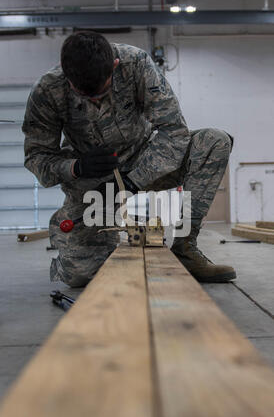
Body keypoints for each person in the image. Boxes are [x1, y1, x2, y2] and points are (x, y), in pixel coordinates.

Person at [22, 30, 236, 287]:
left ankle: (185, 247)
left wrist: (134, 180)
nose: (94, 101)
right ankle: (78, 231)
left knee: (214, 141)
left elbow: (174, 132)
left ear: (114, 66)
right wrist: (76, 167)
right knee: (80, 275)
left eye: (100, 93)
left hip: (146, 160)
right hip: (94, 181)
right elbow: (37, 157)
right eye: (84, 96)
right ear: (66, 76)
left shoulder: (135, 64)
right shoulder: (47, 90)